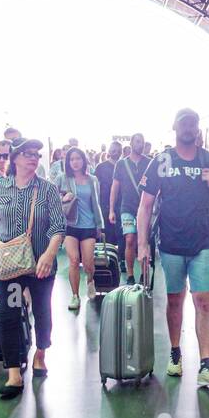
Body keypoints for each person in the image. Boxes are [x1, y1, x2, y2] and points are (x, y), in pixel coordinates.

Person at [137, 108, 209, 386]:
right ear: (175, 127)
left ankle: (205, 363)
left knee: (204, 301)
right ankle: (175, 354)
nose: (188, 128)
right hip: (170, 244)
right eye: (184, 123)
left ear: (198, 129)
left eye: (193, 124)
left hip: (202, 243)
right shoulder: (161, 161)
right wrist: (143, 244)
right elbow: (145, 205)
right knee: (175, 299)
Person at [0, 138, 66, 398]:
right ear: (15, 158)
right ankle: (13, 375)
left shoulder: (47, 190)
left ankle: (40, 353)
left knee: (42, 312)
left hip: (40, 266)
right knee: (8, 315)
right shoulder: (0, 187)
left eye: (36, 154)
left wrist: (49, 254)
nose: (33, 158)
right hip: (10, 267)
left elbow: (58, 226)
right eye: (27, 154)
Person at [58, 146, 103, 309]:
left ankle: (90, 280)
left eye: (78, 158)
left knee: (89, 262)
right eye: (72, 159)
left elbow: (96, 204)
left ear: (84, 160)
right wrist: (63, 198)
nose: (75, 162)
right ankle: (75, 295)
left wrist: (100, 224)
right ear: (68, 162)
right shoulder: (62, 178)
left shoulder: (93, 180)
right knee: (74, 260)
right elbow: (53, 198)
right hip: (70, 225)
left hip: (89, 225)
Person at [112, 132, 150, 284]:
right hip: (126, 208)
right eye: (137, 142)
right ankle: (130, 275)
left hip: (144, 208)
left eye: (142, 142)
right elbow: (115, 187)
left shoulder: (149, 163)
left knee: (143, 240)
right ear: (132, 144)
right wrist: (111, 210)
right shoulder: (121, 164)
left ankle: (143, 274)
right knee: (129, 239)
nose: (140, 145)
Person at [96, 140, 123, 261]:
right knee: (107, 234)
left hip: (121, 205)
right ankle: (107, 259)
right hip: (104, 205)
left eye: (118, 150)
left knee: (121, 234)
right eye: (113, 150)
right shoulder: (100, 167)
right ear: (108, 151)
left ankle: (121, 259)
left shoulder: (123, 166)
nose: (115, 152)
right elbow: (96, 187)